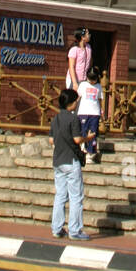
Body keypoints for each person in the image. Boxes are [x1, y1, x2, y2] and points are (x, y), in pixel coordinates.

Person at [49, 88, 90, 241]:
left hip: (58, 161)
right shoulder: (74, 119)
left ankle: (57, 228)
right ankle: (75, 230)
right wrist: (89, 138)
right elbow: (77, 140)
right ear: (72, 103)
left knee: (60, 195)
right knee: (76, 196)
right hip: (71, 160)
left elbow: (51, 140)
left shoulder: (56, 119)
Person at [76, 65, 103, 161]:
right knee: (83, 130)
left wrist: (101, 110)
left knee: (93, 132)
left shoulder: (99, 86)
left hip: (95, 112)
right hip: (83, 111)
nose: (91, 81)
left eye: (93, 79)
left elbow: (100, 99)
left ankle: (91, 152)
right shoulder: (83, 85)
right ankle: (82, 150)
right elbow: (78, 97)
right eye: (90, 79)